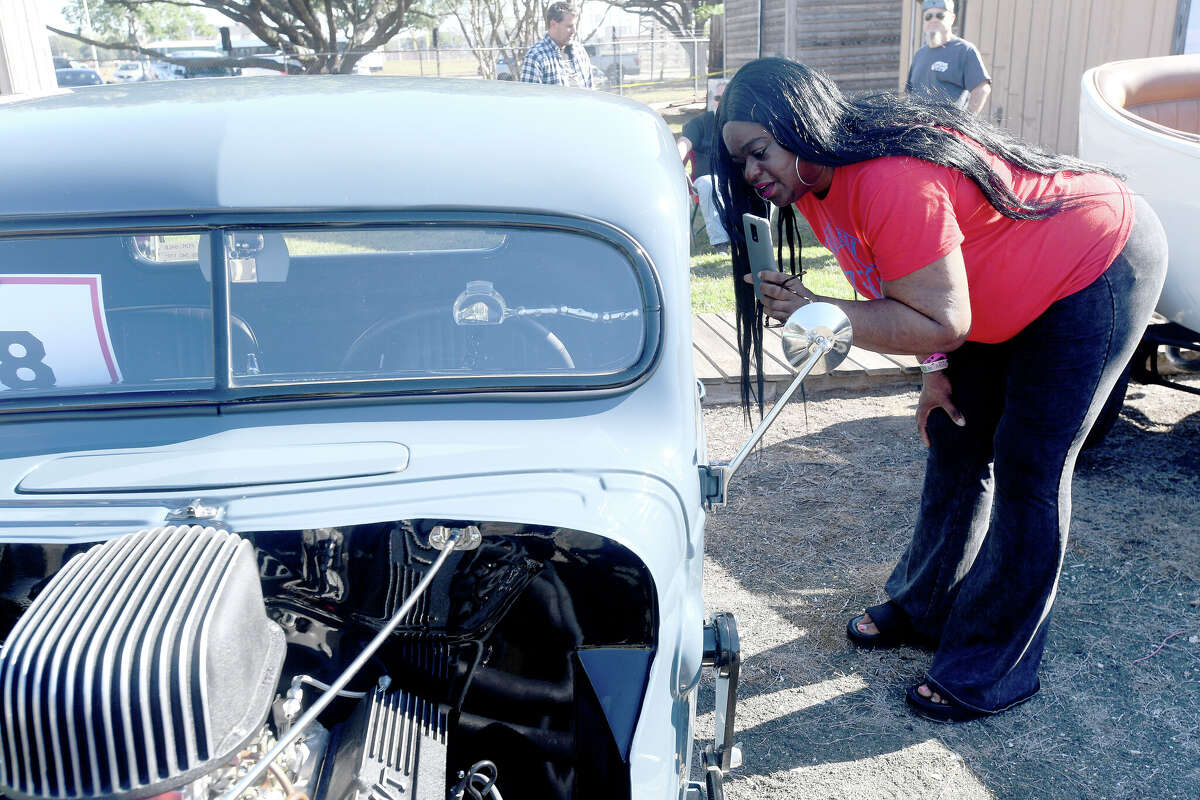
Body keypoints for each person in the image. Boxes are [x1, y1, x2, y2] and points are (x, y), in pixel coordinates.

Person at [712, 58, 1167, 722]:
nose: (752, 174)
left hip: (1094, 262)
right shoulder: (816, 186)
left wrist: (822, 310)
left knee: (1028, 463)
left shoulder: (890, 178)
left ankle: (993, 667)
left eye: (759, 152)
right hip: (993, 291)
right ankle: (926, 605)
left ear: (799, 125)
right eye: (741, 164)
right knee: (955, 433)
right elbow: (891, 282)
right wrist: (933, 372)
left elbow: (944, 318)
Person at [907, 0, 991, 115]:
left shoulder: (964, 50)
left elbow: (982, 88)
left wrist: (966, 121)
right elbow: (909, 92)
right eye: (928, 16)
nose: (933, 20)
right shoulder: (919, 54)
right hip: (917, 127)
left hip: (947, 129)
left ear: (952, 18)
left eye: (940, 15)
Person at [678, 80, 731, 250]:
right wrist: (676, 161)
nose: (720, 102)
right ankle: (721, 243)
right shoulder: (700, 123)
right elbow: (684, 144)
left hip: (736, 178)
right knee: (710, 183)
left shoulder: (742, 123)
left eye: (725, 97)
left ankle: (753, 238)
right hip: (706, 179)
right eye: (717, 97)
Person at [520, 2, 593, 88]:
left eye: (574, 26)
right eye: (569, 26)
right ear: (553, 24)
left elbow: (591, 92)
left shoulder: (580, 51)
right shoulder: (536, 56)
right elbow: (530, 98)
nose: (574, 31)